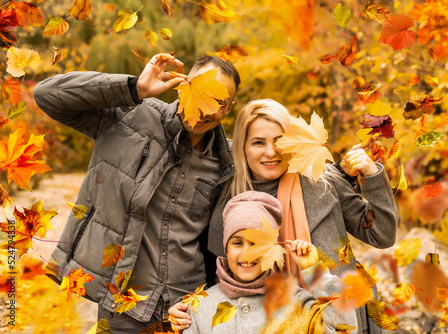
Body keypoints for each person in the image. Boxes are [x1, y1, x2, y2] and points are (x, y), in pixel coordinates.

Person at [33, 54, 240, 332]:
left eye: (218, 103)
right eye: (202, 94)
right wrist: (135, 89)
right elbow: (47, 95)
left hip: (190, 308)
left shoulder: (228, 160)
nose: (206, 109)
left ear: (229, 108)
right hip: (122, 302)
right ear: (183, 84)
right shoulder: (132, 114)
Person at [205, 99, 399, 333]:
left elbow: (382, 235)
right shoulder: (229, 200)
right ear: (242, 147)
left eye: (279, 141)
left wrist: (371, 175)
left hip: (342, 316)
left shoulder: (323, 180)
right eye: (258, 142)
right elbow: (218, 278)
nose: (271, 152)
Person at [183, 190, 358, 334]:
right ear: (226, 248)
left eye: (257, 243)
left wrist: (315, 271)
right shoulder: (201, 306)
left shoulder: (296, 300)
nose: (247, 253)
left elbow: (346, 330)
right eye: (237, 243)